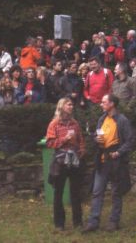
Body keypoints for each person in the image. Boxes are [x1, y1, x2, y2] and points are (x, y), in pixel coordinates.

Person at [83, 94, 134, 233]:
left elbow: (130, 140)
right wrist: (95, 139)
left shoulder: (122, 120)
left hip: (116, 161)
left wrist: (119, 152)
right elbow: (96, 135)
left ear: (112, 104)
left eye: (104, 102)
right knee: (97, 191)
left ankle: (114, 221)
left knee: (116, 192)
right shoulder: (102, 119)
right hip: (103, 160)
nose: (101, 104)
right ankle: (93, 221)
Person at [46, 97, 86, 231]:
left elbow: (81, 139)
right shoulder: (54, 124)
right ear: (62, 106)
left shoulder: (75, 123)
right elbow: (50, 143)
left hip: (74, 161)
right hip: (60, 161)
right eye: (69, 105)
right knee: (58, 193)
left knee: (76, 192)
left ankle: (78, 222)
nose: (71, 107)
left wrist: (81, 151)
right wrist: (64, 139)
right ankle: (59, 224)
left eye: (72, 105)